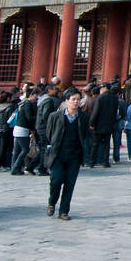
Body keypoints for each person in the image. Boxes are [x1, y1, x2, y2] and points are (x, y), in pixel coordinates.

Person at [43, 91, 88, 220]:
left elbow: (84, 135)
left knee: (70, 183)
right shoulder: (55, 116)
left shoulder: (83, 117)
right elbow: (49, 133)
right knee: (56, 181)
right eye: (73, 99)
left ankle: (64, 211)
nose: (76, 102)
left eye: (78, 99)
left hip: (74, 155)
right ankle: (52, 202)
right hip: (58, 154)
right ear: (66, 101)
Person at [89, 83, 120, 167]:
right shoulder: (115, 98)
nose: (100, 89)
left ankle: (92, 162)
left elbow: (95, 112)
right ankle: (105, 162)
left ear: (105, 88)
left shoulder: (100, 97)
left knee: (95, 144)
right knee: (106, 144)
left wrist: (92, 123)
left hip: (99, 124)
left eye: (101, 88)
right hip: (109, 124)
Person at [10, 87, 38, 175]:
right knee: (25, 149)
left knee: (17, 150)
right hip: (22, 128)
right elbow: (29, 117)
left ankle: (14, 167)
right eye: (35, 96)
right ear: (31, 95)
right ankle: (16, 167)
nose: (36, 99)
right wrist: (37, 118)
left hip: (18, 128)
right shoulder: (27, 103)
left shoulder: (22, 103)